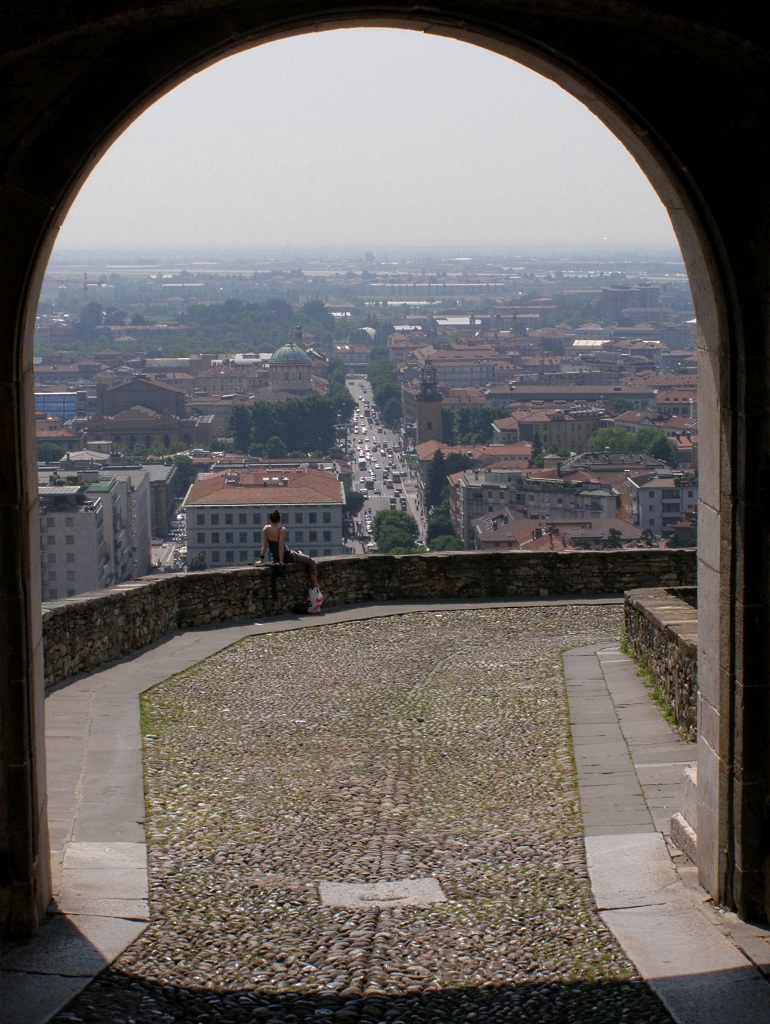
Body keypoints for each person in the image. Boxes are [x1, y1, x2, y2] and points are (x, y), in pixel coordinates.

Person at [258, 509, 321, 591]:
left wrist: (261, 560)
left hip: (275, 558)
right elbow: (281, 546)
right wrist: (281, 561)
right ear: (279, 519)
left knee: (297, 553)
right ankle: (316, 586)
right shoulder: (282, 529)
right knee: (311, 561)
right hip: (288, 556)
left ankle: (299, 553)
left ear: (270, 519)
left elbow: (264, 545)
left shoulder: (266, 529)